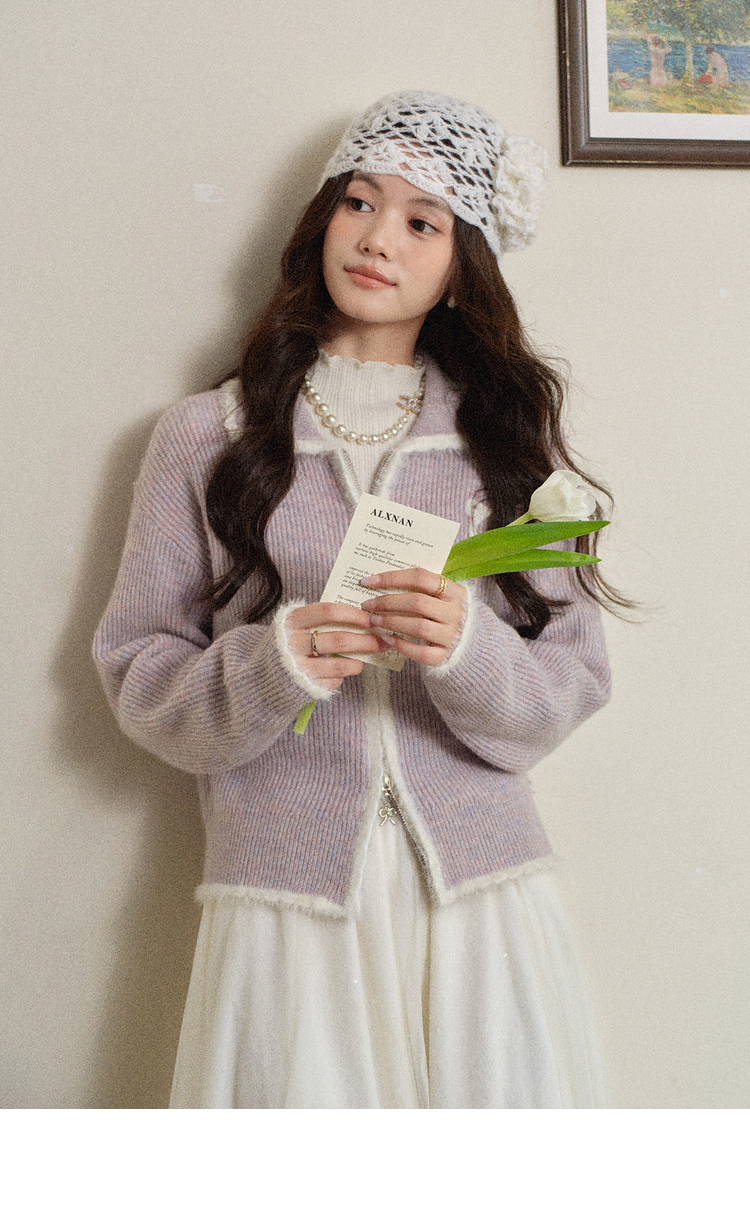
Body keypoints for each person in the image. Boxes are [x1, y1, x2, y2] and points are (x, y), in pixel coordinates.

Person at [94, 91, 620, 1109]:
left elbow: (575, 677)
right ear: (323, 217)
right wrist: (271, 663)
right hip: (287, 897)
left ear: (463, 266)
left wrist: (466, 648)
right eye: (360, 203)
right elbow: (137, 671)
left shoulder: (510, 442)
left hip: (478, 898)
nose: (379, 239)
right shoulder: (204, 436)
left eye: (423, 222)